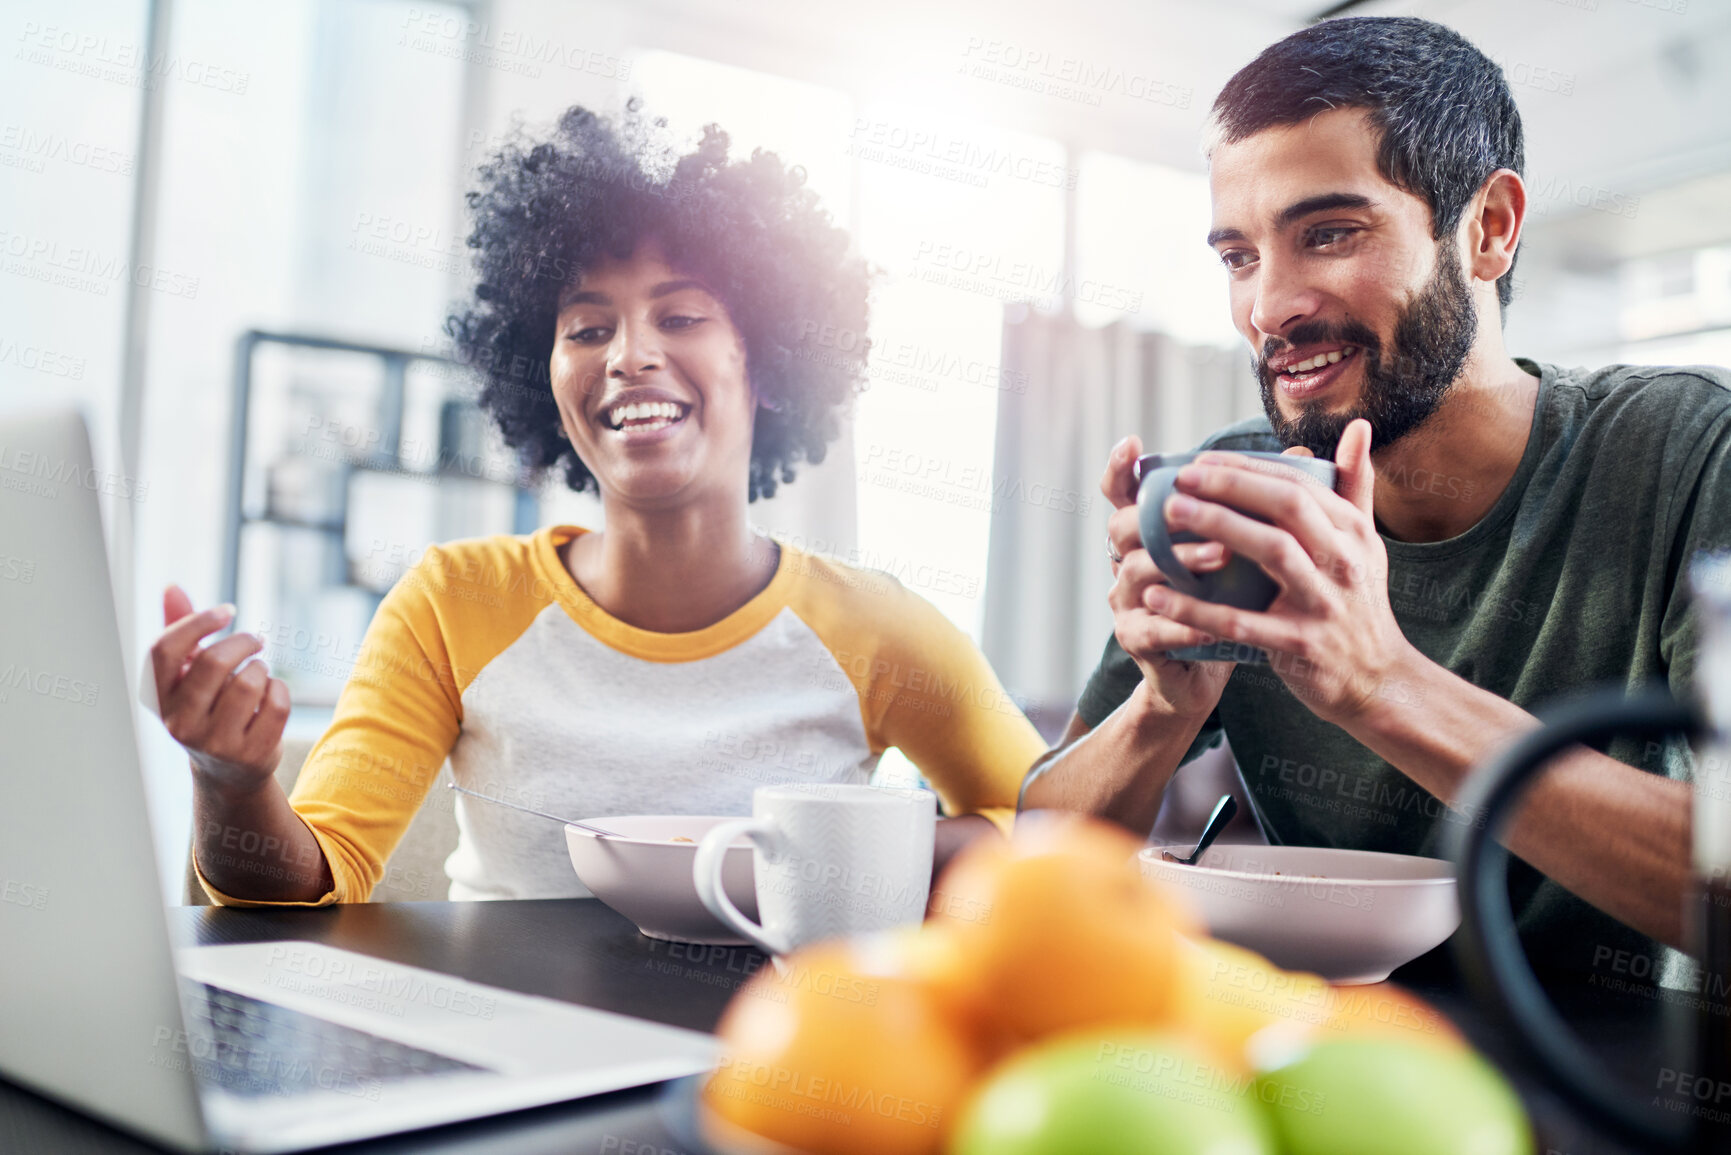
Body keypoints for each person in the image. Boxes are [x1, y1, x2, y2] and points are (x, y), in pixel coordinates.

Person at [151, 105, 1044, 906]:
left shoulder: (877, 627)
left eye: (682, 317)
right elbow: (309, 882)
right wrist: (229, 782)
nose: (628, 355)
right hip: (508, 1059)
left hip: (781, 1056)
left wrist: (873, 852)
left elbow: (1047, 818)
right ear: (542, 376)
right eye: (586, 328)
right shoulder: (454, 602)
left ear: (766, 360)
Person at [1022, 17, 1731, 978]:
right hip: (1306, 1062)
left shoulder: (1687, 458)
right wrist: (1163, 704)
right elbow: (1038, 863)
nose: (1268, 306)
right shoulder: (1244, 488)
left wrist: (1380, 683)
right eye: (1237, 256)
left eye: (1328, 233)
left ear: (1488, 228)